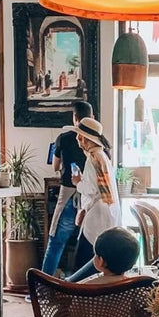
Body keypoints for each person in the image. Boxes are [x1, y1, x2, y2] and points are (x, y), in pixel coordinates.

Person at [41, 100, 93, 276]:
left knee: (56, 241)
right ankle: (85, 284)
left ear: (75, 118)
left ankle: (44, 286)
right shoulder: (98, 143)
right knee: (88, 242)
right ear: (92, 117)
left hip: (69, 193)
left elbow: (55, 166)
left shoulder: (64, 138)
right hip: (91, 198)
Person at [66, 117, 121, 282]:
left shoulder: (92, 158)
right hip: (106, 213)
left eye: (79, 135)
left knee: (85, 261)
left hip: (96, 216)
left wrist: (77, 183)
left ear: (85, 138)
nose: (77, 139)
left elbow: (90, 189)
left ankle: (75, 294)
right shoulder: (101, 156)